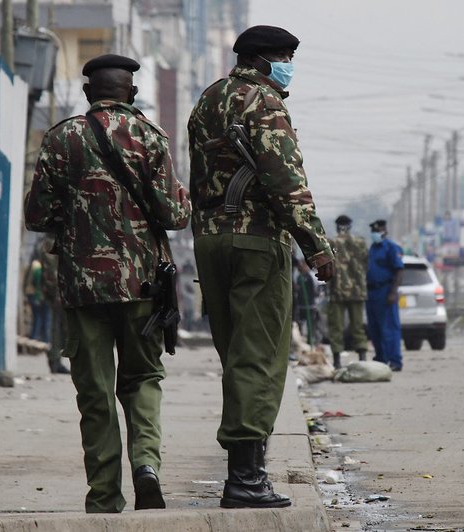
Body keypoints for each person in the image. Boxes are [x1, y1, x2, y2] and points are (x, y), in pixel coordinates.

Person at [24, 54, 191, 513]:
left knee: (95, 392)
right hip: (143, 289)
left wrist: (75, 219)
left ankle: (103, 496)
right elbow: (176, 216)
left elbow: (36, 214)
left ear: (87, 93)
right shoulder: (151, 138)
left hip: (83, 288)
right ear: (131, 93)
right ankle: (146, 467)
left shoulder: (61, 138)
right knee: (142, 379)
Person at [187, 25, 335, 509]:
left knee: (235, 354)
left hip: (210, 241)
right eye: (287, 56)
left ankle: (245, 468)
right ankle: (246, 480)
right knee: (260, 355)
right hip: (255, 241)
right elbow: (284, 178)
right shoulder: (264, 102)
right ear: (265, 59)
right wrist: (316, 245)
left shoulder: (208, 100)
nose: (291, 65)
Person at [326, 215, 369, 369]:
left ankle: (337, 361)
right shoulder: (360, 243)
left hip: (337, 291)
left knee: (336, 327)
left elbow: (326, 265)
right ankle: (362, 358)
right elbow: (366, 264)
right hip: (357, 291)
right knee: (357, 326)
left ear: (337, 226)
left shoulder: (331, 243)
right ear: (350, 226)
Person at [365, 219, 404, 371]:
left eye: (378, 231)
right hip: (371, 292)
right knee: (374, 328)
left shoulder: (391, 248)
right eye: (373, 232)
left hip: (385, 290)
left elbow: (399, 270)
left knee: (389, 328)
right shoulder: (372, 249)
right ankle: (381, 357)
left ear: (384, 231)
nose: (375, 234)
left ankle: (395, 360)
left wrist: (393, 292)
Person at [34, 235, 70, 374]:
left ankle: (56, 359)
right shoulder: (51, 241)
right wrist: (58, 291)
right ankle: (54, 359)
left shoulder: (53, 240)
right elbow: (51, 271)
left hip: (58, 291)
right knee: (57, 327)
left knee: (59, 326)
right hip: (57, 291)